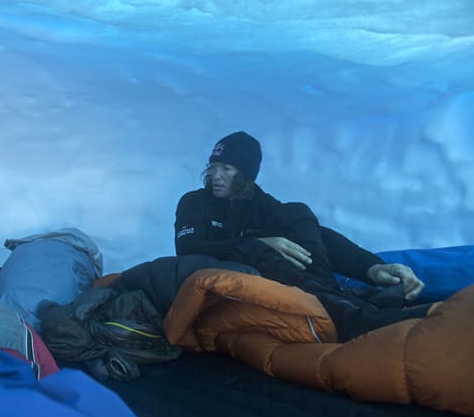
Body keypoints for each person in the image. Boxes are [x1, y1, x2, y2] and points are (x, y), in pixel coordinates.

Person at [174, 131, 428, 341]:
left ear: (246, 174)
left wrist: (373, 267)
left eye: (227, 168)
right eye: (214, 166)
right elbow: (187, 249)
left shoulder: (264, 206)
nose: (216, 175)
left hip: (288, 283)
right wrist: (256, 242)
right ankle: (341, 309)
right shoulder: (195, 203)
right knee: (256, 249)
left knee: (297, 212)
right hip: (220, 287)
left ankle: (331, 298)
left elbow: (320, 237)